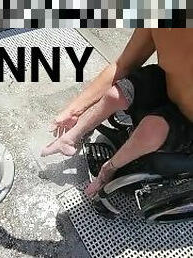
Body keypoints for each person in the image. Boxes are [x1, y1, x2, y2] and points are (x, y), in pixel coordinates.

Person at [41, 29, 193, 197]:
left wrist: (110, 166)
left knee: (151, 130)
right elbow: (124, 64)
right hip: (169, 89)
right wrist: (74, 109)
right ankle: (70, 138)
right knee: (117, 94)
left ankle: (110, 168)